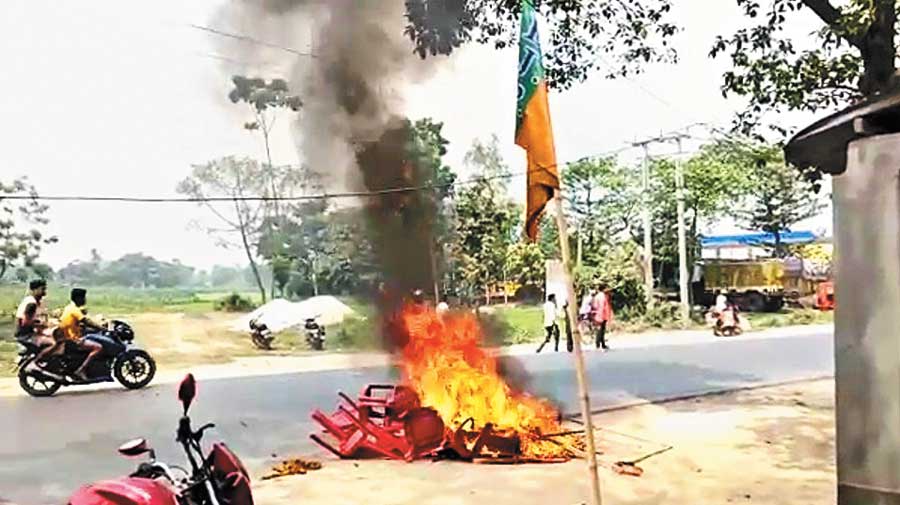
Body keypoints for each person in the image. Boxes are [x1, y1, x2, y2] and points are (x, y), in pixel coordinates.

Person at [58, 288, 106, 380]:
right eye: (84, 298)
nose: (85, 300)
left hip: (69, 336)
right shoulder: (74, 310)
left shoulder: (69, 307)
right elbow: (86, 321)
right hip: (73, 339)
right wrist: (101, 327)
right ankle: (81, 369)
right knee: (98, 347)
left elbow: (81, 322)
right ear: (78, 298)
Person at [591, 284, 613, 351]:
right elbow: (605, 307)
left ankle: (601, 345)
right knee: (600, 331)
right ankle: (599, 345)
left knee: (601, 330)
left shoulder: (598, 296)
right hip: (602, 315)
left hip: (599, 315)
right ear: (603, 289)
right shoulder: (603, 296)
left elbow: (595, 305)